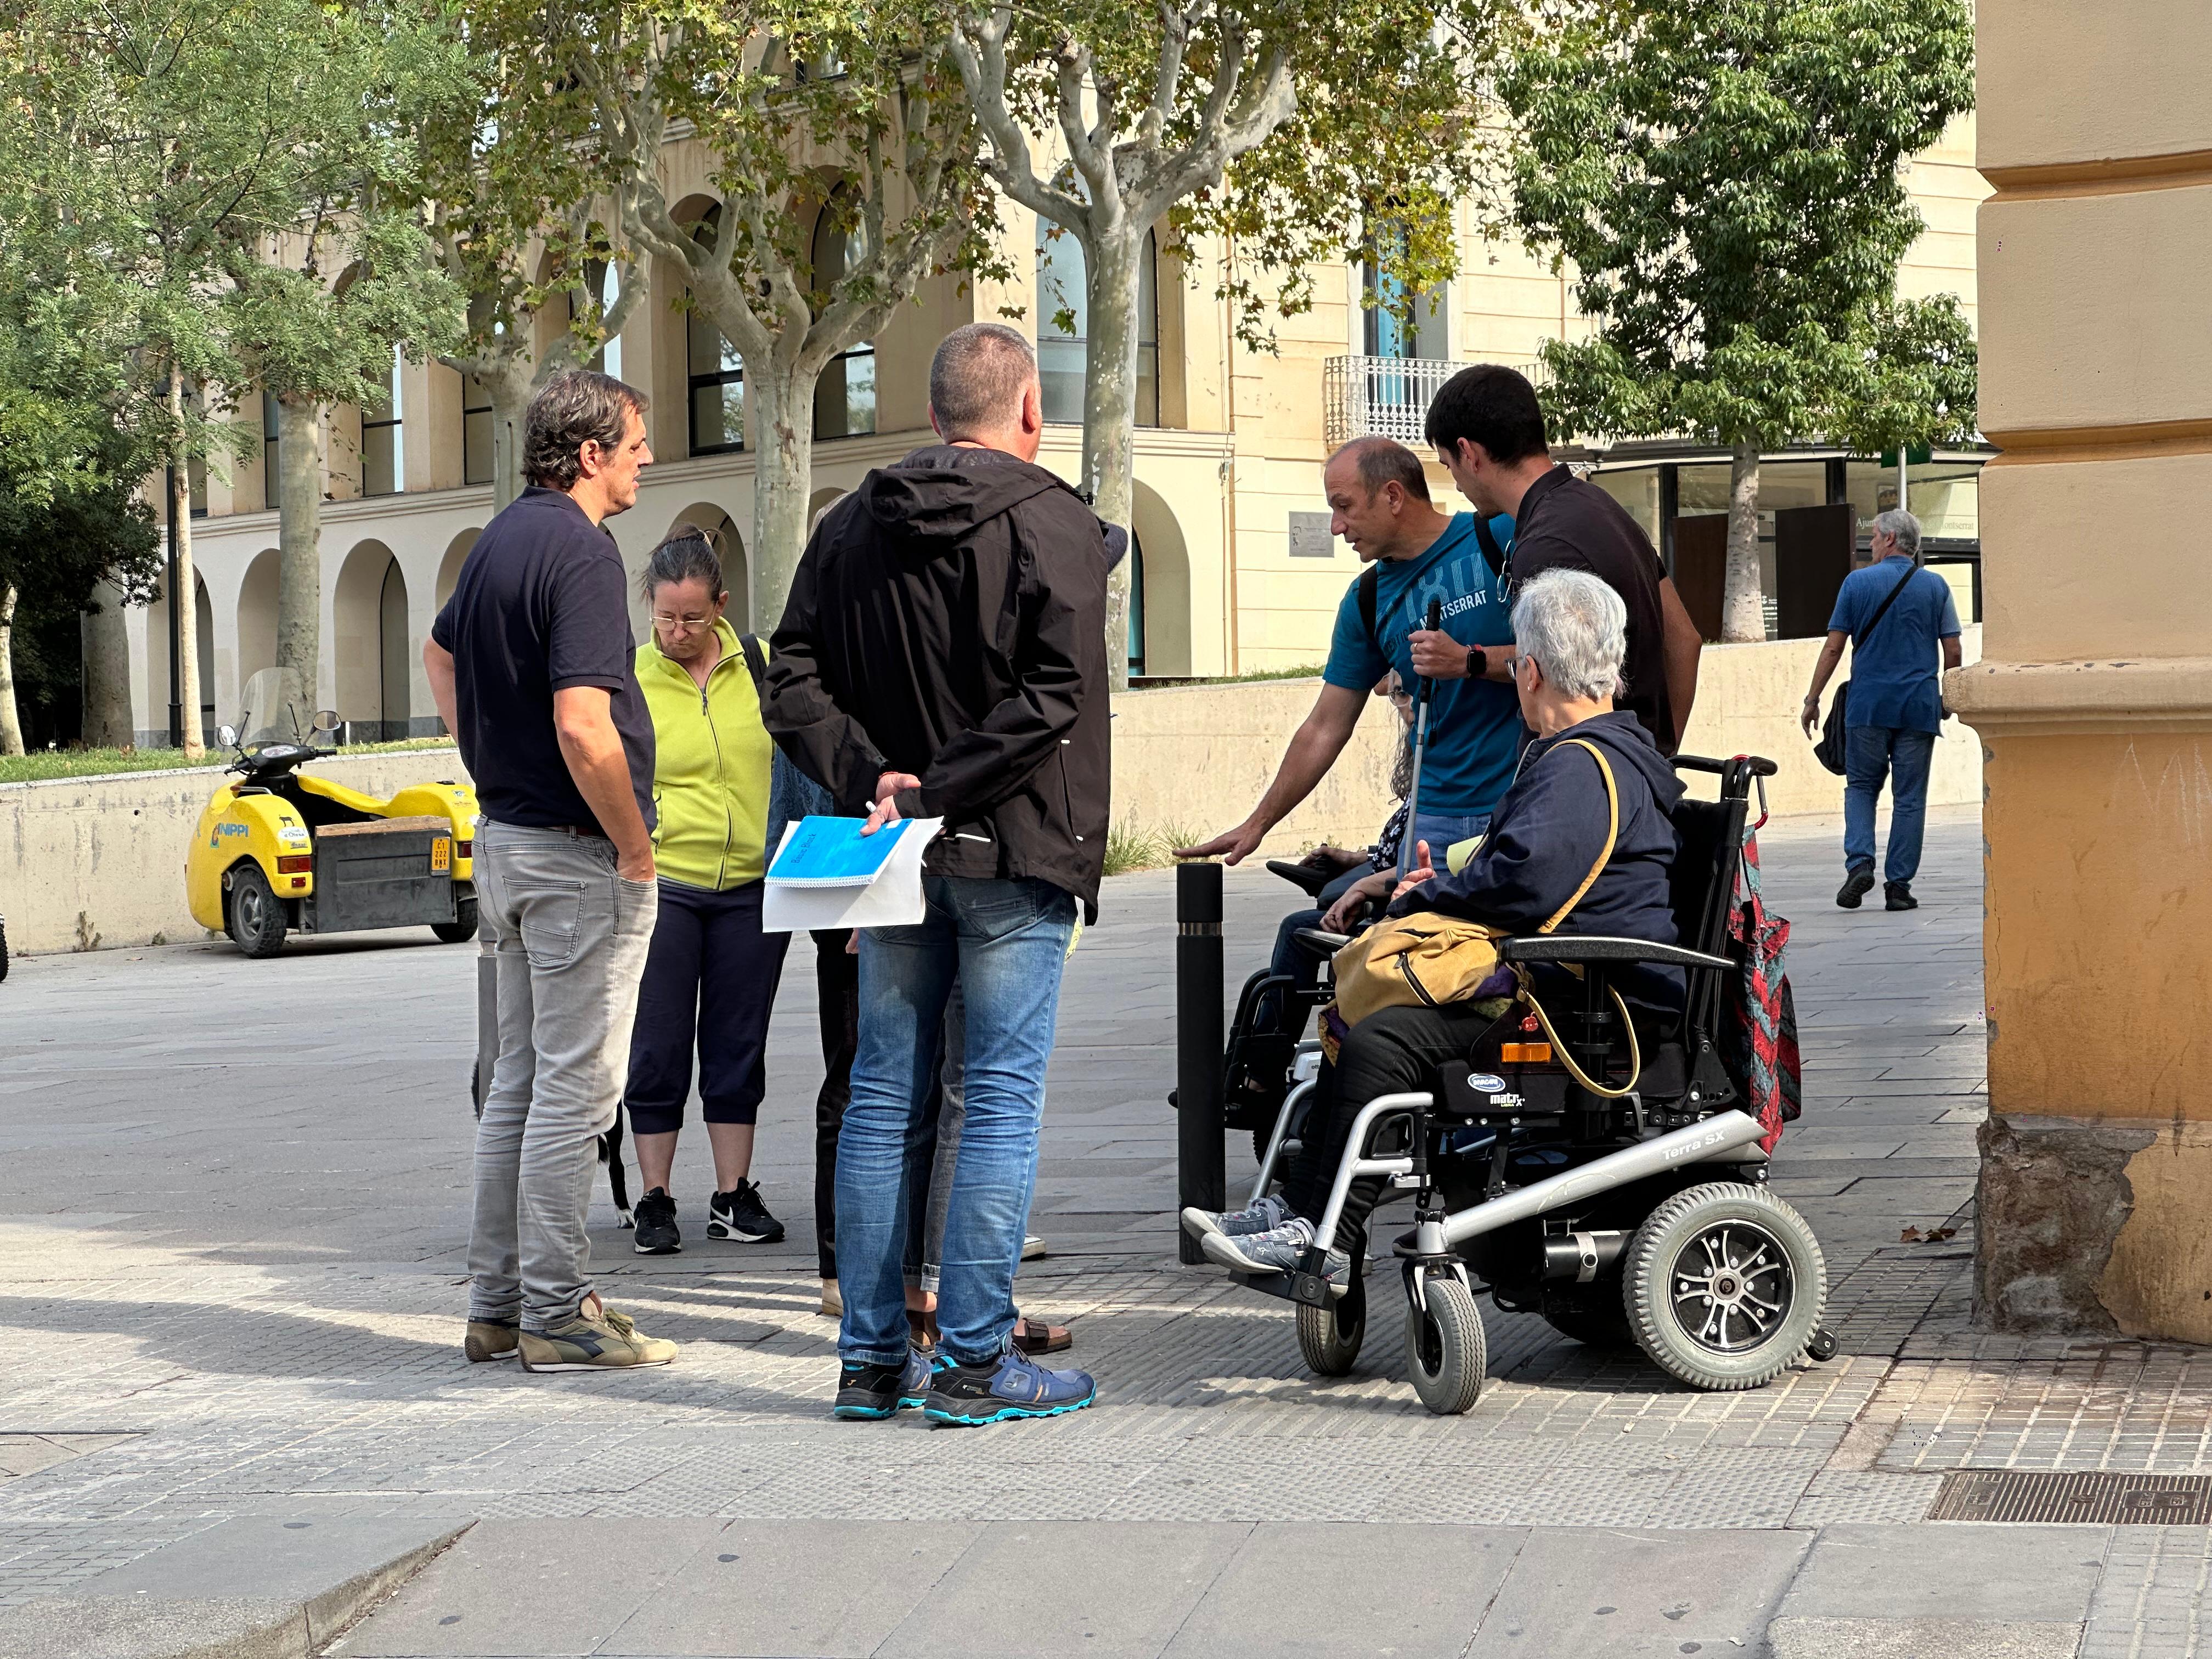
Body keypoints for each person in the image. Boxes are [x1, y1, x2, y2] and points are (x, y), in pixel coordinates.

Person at [762, 321, 1110, 1427]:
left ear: (930, 416)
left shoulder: (849, 524)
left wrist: (878, 777)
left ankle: (870, 1363)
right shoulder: (1055, 522)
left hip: (896, 851)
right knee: (999, 1097)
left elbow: (792, 674)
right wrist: (934, 784)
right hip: (1009, 846)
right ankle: (970, 1360)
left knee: (881, 1097)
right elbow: (1055, 693)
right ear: (1028, 416)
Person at [1182, 569, 1685, 1284]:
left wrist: (1425, 902)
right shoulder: (1602, 750)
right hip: (1569, 981)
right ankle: (1298, 1211)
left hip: (1587, 1006)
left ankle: (1317, 1235)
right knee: (1360, 1015)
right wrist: (1420, 881)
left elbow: (1521, 882)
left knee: (1383, 1039)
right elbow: (1519, 863)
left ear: (1531, 670)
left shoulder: (1581, 765)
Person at [424, 368, 676, 1374]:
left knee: (522, 1084)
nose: (647, 459)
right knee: (576, 1091)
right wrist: (634, 844)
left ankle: (498, 1304)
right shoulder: (578, 551)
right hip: (575, 856)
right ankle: (557, 1309)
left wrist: (488, 755)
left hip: (508, 841)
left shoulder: (499, 540)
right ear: (590, 454)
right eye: (637, 443)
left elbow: (439, 655)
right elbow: (585, 722)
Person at [1177, 437, 1523, 870]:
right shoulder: (1366, 599)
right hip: (1432, 819)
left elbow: (1571, 656)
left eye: (1344, 506)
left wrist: (1472, 661)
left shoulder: (1501, 538)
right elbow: (1324, 727)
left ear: (1393, 496)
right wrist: (1257, 825)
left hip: (1524, 804)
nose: (1335, 526)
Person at [623, 525, 825, 1256]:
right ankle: (655, 1198)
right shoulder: (627, 678)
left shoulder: (762, 668)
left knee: (739, 1044)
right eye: (665, 616)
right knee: (658, 1043)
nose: (678, 631)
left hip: (752, 885)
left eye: (693, 618)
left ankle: (733, 1195)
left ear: (722, 607)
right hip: (665, 883)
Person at [1424, 364, 1703, 754]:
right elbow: (1685, 639)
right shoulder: (1599, 505)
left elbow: (1554, 705)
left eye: (1447, 464)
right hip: (1628, 776)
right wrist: (1658, 755)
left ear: (1468, 453)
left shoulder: (1546, 545)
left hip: (1585, 788)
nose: (1454, 480)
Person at [1799, 509, 1962, 912]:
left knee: (1861, 787)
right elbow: (1953, 650)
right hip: (1918, 708)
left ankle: (1859, 863)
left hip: (1868, 706)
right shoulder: (1936, 587)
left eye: (1873, 536)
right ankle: (1899, 887)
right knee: (1909, 798)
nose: (1870, 543)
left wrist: (1813, 698)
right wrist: (1948, 698)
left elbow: (1835, 647)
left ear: (1890, 539)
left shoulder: (1857, 583)